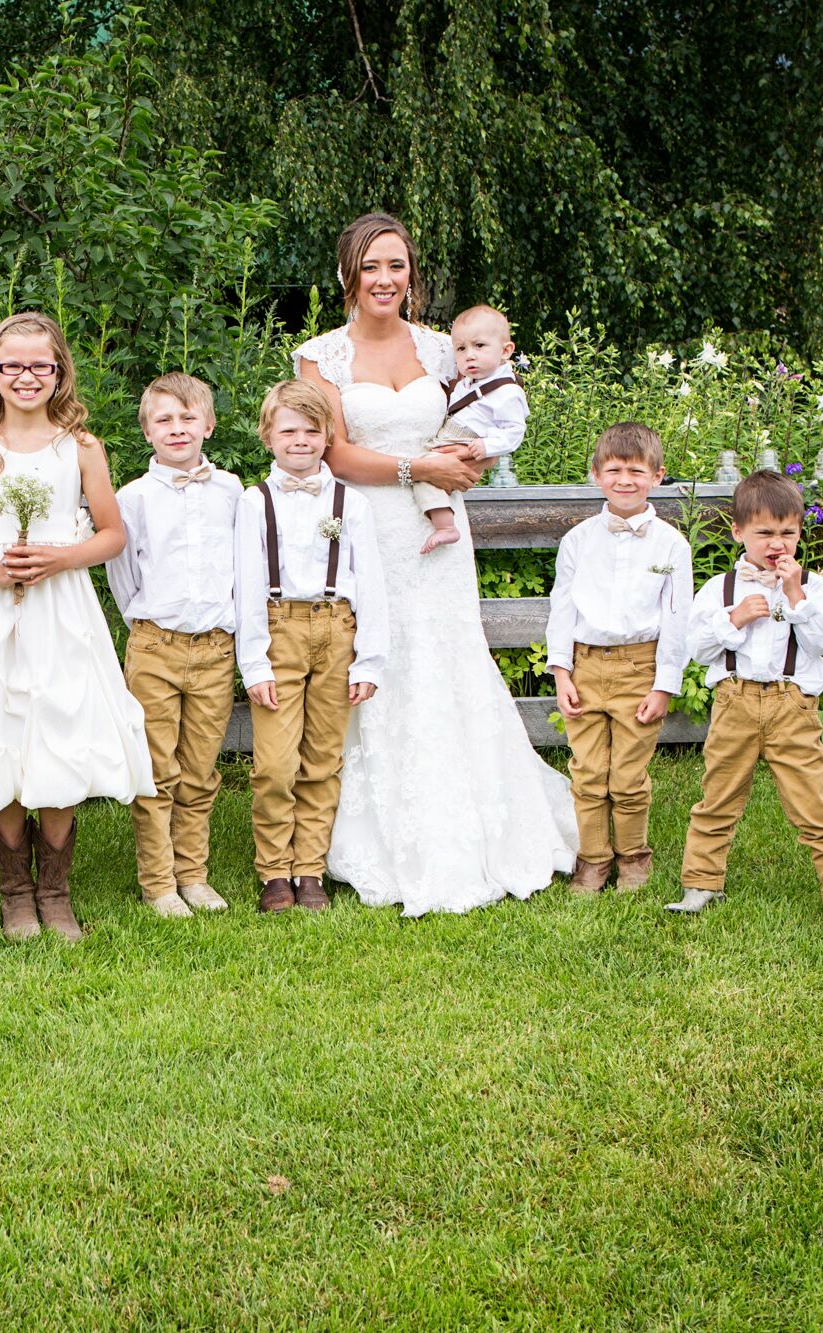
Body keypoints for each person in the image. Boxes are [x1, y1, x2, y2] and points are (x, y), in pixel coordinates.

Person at [294, 212, 577, 915]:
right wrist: (415, 464)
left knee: (447, 657)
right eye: (370, 267)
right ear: (348, 276)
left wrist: (471, 458)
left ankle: (480, 820)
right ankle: (365, 833)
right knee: (377, 662)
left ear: (410, 273)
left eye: (396, 265)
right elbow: (332, 452)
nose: (384, 279)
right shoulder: (319, 357)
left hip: (438, 532)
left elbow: (485, 412)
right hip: (364, 528)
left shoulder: (444, 347)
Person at [0, 313, 154, 942]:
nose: (26, 376)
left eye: (40, 365)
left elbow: (112, 534)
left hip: (60, 607)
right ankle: (15, 892)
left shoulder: (83, 449)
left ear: (60, 372)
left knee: (59, 728)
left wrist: (59, 558)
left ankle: (55, 891)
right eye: (11, 365)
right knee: (2, 732)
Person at [670, 470, 823, 934]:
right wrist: (734, 618)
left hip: (791, 705)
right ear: (739, 532)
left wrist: (795, 595)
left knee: (813, 803)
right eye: (764, 533)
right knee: (718, 796)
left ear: (800, 533)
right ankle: (701, 883)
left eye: (787, 533)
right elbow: (698, 648)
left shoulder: (813, 587)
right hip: (735, 702)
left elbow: (821, 643)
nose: (777, 544)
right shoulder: (720, 588)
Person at [234, 380, 387, 914]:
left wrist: (369, 656)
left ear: (327, 437)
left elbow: (370, 582)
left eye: (310, 431)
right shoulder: (255, 502)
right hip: (278, 631)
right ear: (268, 437)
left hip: (337, 632)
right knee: (276, 762)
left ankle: (309, 868)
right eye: (288, 431)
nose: (299, 440)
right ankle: (275, 870)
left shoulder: (352, 503)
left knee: (322, 758)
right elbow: (247, 585)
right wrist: (253, 661)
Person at [105, 372, 243, 918]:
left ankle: (194, 874)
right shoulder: (132, 499)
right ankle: (159, 882)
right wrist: (149, 625)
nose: (177, 428)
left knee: (200, 769)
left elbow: (242, 568)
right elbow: (123, 576)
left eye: (188, 418)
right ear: (147, 431)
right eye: (164, 419)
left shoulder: (233, 493)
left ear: (208, 424)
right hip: (155, 647)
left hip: (215, 649)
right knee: (156, 768)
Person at [547, 421, 694, 892]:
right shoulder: (578, 541)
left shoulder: (671, 543)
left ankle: (633, 856)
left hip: (640, 668)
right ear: (596, 474)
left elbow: (677, 617)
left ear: (657, 475)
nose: (624, 480)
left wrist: (664, 683)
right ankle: (593, 859)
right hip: (585, 667)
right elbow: (562, 608)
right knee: (588, 772)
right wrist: (561, 672)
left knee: (628, 775)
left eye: (636, 470)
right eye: (614, 469)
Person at [408, 304, 530, 555]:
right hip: (452, 435)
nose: (469, 355)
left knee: (425, 474)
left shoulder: (506, 391)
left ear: (506, 351)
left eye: (480, 346)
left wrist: (486, 447)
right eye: (461, 349)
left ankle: (445, 526)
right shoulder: (469, 382)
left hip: (468, 440)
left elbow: (515, 430)